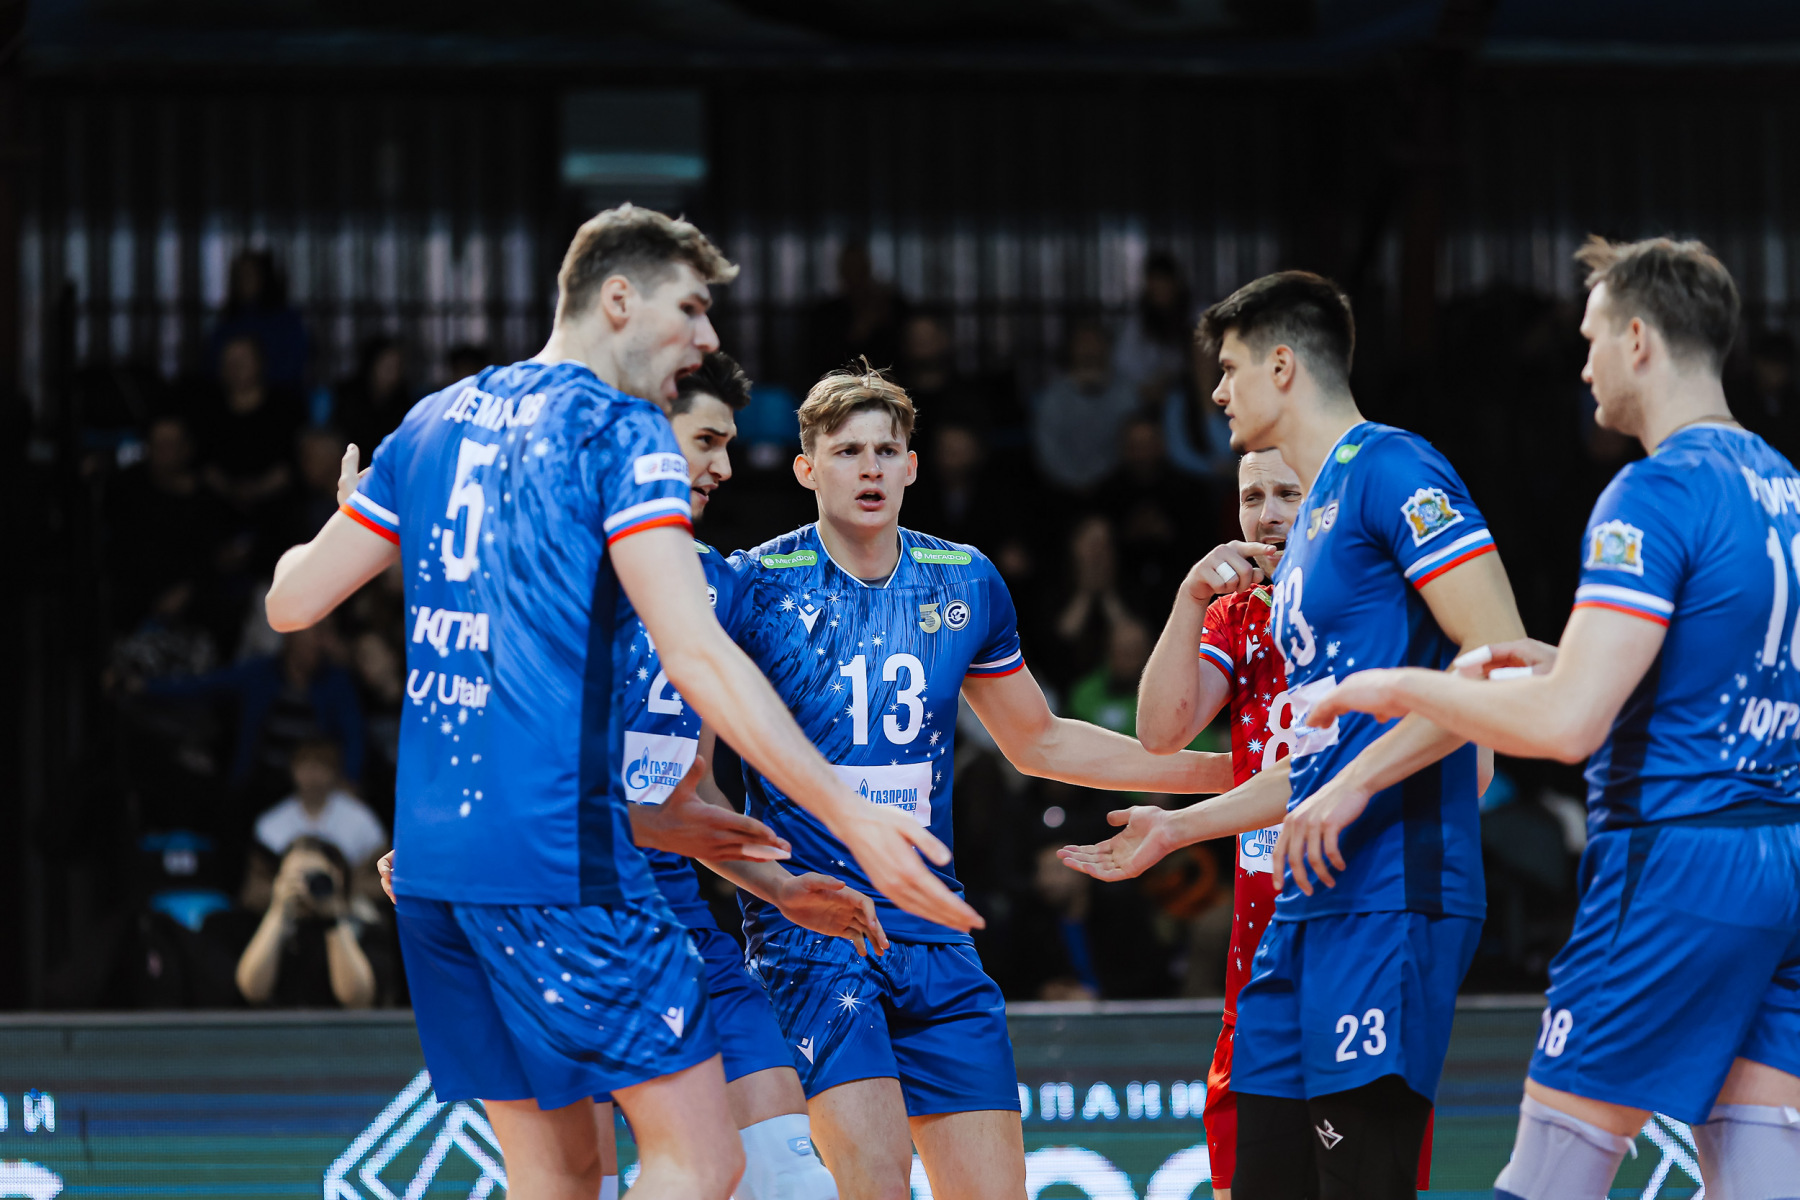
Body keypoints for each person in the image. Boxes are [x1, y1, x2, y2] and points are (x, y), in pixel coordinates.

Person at [263, 204, 977, 1200]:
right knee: (705, 1161)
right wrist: (848, 810)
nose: (707, 336)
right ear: (617, 299)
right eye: (690, 309)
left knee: (564, 1180)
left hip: (437, 869)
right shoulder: (620, 430)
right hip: (563, 865)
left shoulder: (433, 421)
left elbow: (292, 601)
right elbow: (695, 652)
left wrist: (355, 517)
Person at [1311, 237, 1800, 1200]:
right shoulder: (1784, 486)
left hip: (1676, 863)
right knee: (1763, 1180)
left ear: (1639, 339)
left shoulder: (1654, 490)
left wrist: (1402, 688)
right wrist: (1561, 662)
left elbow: (1567, 728)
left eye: (1592, 340)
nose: (1583, 367)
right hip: (1782, 861)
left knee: (1547, 1179)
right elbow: (1723, 663)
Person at [713, 366, 1232, 1200]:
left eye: (887, 450)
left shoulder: (964, 579)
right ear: (806, 468)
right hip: (813, 934)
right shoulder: (754, 587)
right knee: (876, 1183)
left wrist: (1226, 770)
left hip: (935, 932)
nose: (871, 468)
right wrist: (768, 887)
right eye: (847, 452)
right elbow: (693, 776)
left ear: (913, 466)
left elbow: (1039, 741)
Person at [1063, 271, 1525, 1199]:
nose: (1217, 392)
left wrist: (1353, 785)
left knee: (1360, 1178)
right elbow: (1310, 760)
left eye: (1230, 368)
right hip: (1299, 904)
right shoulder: (1305, 540)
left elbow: (1500, 663)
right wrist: (1177, 829)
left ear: (1282, 366)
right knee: (1264, 1172)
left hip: (1391, 886)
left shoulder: (1394, 467)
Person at [607, 350, 860, 1200]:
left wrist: (781, 889)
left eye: (726, 444)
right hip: (568, 922)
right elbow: (510, 771)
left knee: (792, 1181)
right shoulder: (562, 573)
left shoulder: (716, 583)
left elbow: (697, 791)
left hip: (680, 920)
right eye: (705, 441)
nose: (722, 465)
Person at [235, 835, 383, 1008]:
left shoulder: (364, 922)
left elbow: (356, 998)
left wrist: (332, 920)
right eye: (295, 877)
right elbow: (253, 990)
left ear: (338, 877)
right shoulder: (268, 925)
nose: (305, 887)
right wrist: (278, 912)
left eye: (314, 876)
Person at [1030, 318, 1141, 494]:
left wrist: (1098, 481)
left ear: (1107, 348)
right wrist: (1076, 481)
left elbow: (1131, 447)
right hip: (1061, 490)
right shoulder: (1053, 396)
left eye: (1095, 342)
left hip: (1116, 488)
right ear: (1071, 349)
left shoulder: (1127, 393)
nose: (1090, 349)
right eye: (1083, 343)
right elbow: (1047, 450)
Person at [253, 739, 388, 869]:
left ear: (335, 771)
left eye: (321, 766)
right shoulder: (270, 821)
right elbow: (259, 875)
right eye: (305, 766)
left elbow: (378, 862)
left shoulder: (361, 817)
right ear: (292, 770)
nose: (312, 775)